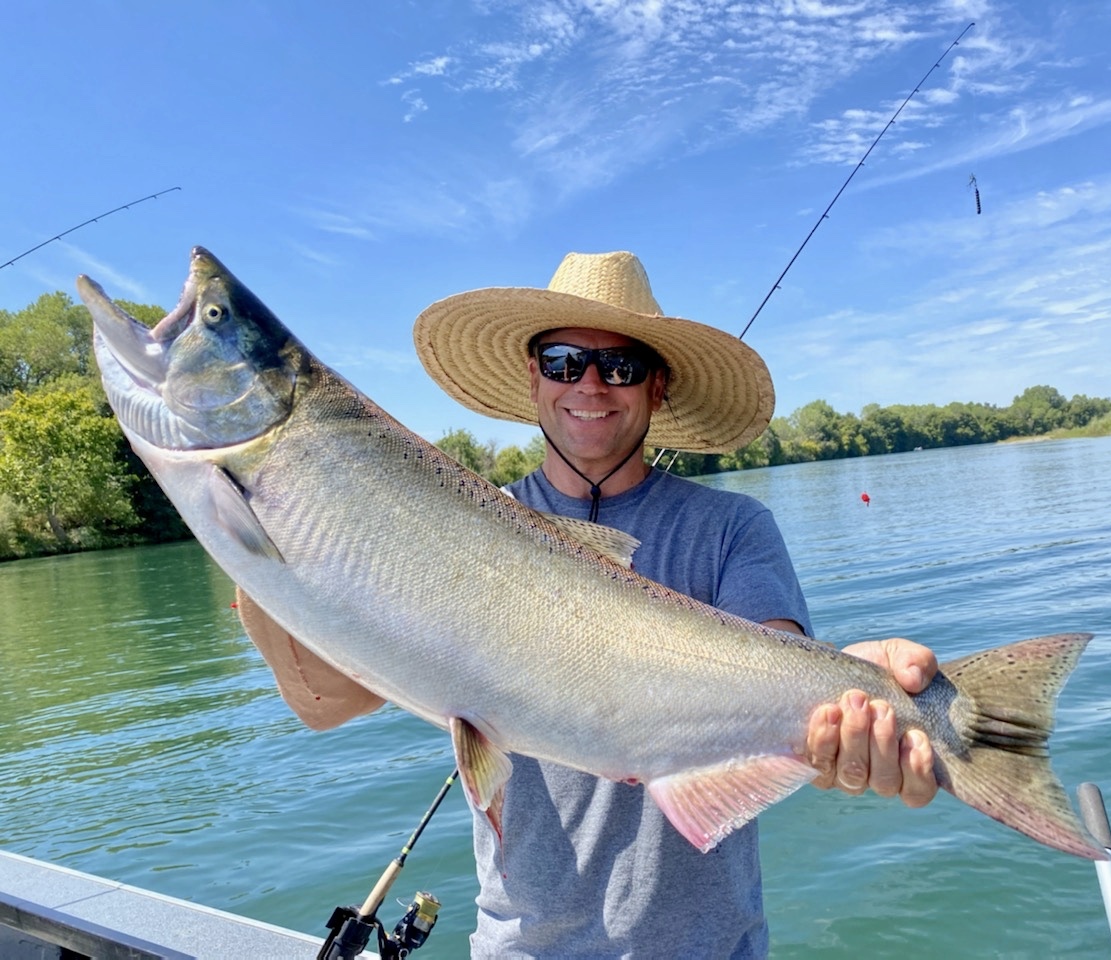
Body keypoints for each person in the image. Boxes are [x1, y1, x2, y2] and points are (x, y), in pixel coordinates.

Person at [241, 251, 939, 958]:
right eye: (565, 361)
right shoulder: (449, 529)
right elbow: (322, 704)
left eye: (622, 366)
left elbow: (777, 659)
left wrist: (855, 698)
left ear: (658, 386)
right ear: (534, 377)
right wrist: (253, 531)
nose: (592, 384)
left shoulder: (733, 529)